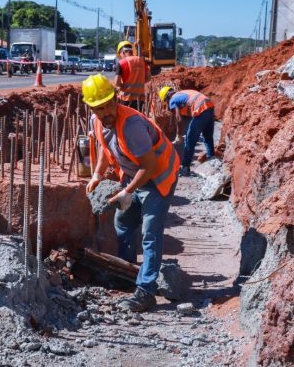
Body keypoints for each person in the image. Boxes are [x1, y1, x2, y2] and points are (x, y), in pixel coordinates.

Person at [83, 74, 180, 312]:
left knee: (150, 232)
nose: (106, 112)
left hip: (158, 178)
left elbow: (150, 166)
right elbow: (105, 148)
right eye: (99, 108)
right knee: (124, 223)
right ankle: (127, 273)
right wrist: (97, 174)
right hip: (134, 175)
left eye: (108, 105)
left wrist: (127, 192)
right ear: (90, 107)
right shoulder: (98, 121)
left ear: (116, 99)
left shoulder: (132, 125)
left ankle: (146, 291)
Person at [158, 87, 216, 177]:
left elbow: (179, 119)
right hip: (209, 106)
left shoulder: (172, 99)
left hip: (201, 108)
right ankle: (212, 163)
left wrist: (178, 135)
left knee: (189, 140)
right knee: (208, 137)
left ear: (167, 97)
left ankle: (185, 168)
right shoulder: (183, 93)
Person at [114, 41, 151, 112]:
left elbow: (117, 83)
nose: (120, 57)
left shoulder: (121, 63)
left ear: (123, 52)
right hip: (140, 99)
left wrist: (124, 87)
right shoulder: (141, 61)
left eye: (120, 54)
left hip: (127, 99)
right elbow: (148, 77)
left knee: (127, 120)